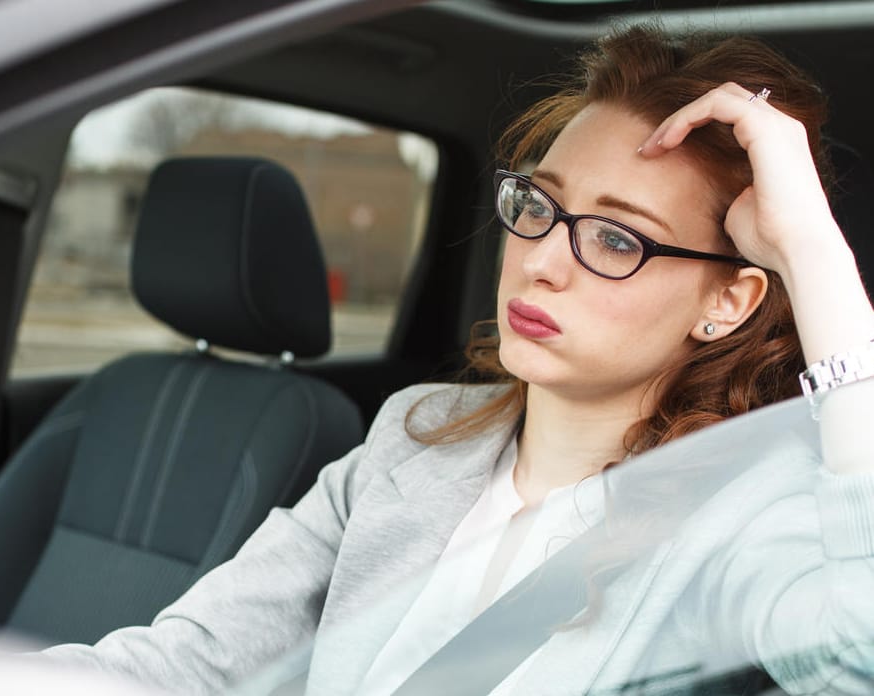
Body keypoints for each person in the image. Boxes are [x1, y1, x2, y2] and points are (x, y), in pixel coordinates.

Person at [43, 24, 874, 695]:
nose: (544, 259)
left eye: (616, 237)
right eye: (539, 206)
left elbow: (859, 657)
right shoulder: (416, 433)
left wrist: (812, 256)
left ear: (727, 301)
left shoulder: (750, 514)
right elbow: (187, 664)